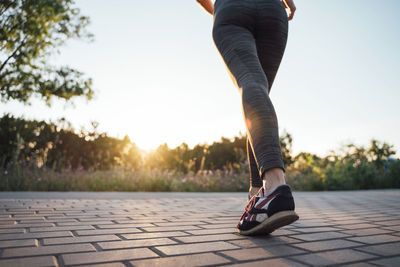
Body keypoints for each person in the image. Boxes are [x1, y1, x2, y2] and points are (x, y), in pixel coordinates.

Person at [196, 0, 298, 235]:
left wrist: (217, 10)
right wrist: (290, 4)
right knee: (258, 91)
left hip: (232, 10)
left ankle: (275, 187)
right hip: (273, 12)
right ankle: (257, 195)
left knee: (251, 83)